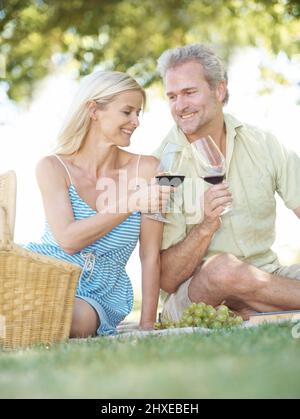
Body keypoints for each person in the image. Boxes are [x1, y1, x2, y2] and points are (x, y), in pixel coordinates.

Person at [154, 43, 300, 322]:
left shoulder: (264, 144)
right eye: (172, 96)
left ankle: (251, 310)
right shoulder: (163, 167)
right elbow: (167, 279)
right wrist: (206, 225)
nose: (179, 105)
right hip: (198, 290)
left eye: (189, 92)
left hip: (268, 277)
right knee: (222, 270)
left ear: (219, 90)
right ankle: (271, 307)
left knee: (247, 278)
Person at [25, 70, 172, 337]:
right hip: (46, 274)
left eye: (139, 113)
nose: (136, 121)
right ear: (94, 110)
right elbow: (68, 240)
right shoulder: (52, 167)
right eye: (127, 112)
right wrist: (132, 201)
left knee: (69, 319)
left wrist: (148, 324)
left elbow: (150, 254)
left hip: (99, 293)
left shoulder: (150, 169)